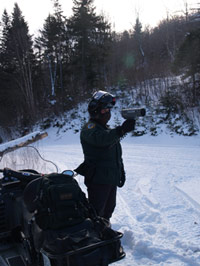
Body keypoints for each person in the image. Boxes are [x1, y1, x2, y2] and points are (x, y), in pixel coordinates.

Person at [79, 90, 135, 223]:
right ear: (95, 110)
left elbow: (115, 154)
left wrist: (120, 171)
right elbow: (102, 140)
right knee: (96, 211)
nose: (108, 113)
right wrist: (121, 130)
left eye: (109, 110)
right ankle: (95, 237)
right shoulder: (89, 128)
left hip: (110, 177)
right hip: (98, 178)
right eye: (105, 110)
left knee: (109, 209)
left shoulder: (107, 129)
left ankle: (104, 232)